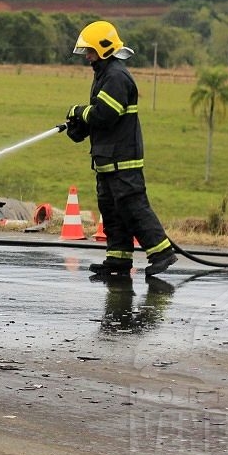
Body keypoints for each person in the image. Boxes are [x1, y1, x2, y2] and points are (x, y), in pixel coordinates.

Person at [66, 20, 178, 278]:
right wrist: (79, 128)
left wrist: (78, 112)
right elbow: (99, 118)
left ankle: (162, 253)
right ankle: (118, 259)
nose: (88, 57)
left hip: (123, 160)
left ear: (104, 49)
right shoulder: (104, 75)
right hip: (107, 160)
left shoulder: (116, 75)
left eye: (91, 51)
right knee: (111, 210)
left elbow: (105, 114)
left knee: (133, 207)